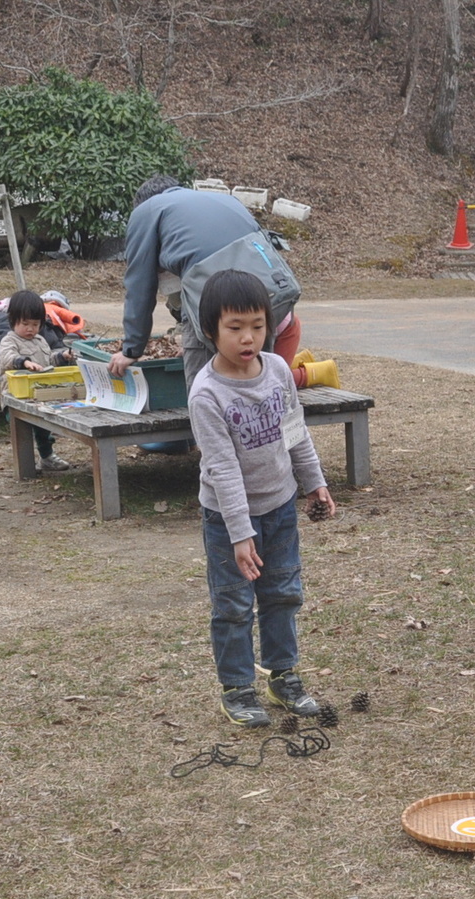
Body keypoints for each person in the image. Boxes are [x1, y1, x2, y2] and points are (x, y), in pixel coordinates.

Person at [188, 269, 335, 727]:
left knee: (283, 594)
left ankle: (283, 675)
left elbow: (295, 432)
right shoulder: (206, 395)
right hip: (228, 520)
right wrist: (239, 532)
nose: (248, 337)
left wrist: (315, 482)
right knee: (233, 604)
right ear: (210, 329)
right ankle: (236, 688)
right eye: (235, 328)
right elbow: (222, 468)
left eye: (256, 325)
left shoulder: (275, 371)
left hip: (280, 508)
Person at [106, 176, 337, 392]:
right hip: (271, 295)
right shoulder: (222, 199)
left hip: (218, 297)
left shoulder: (146, 212)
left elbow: (139, 285)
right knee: (261, 386)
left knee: (204, 391)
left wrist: (131, 350)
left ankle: (205, 435)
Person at [0, 289, 75, 472]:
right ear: (13, 320)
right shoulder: (9, 341)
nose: (31, 329)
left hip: (39, 395)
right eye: (25, 324)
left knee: (43, 430)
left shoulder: (40, 340)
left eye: (35, 324)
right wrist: (24, 362)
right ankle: (25, 464)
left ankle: (47, 456)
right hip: (16, 397)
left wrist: (62, 356)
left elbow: (48, 362)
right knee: (23, 430)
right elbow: (7, 358)